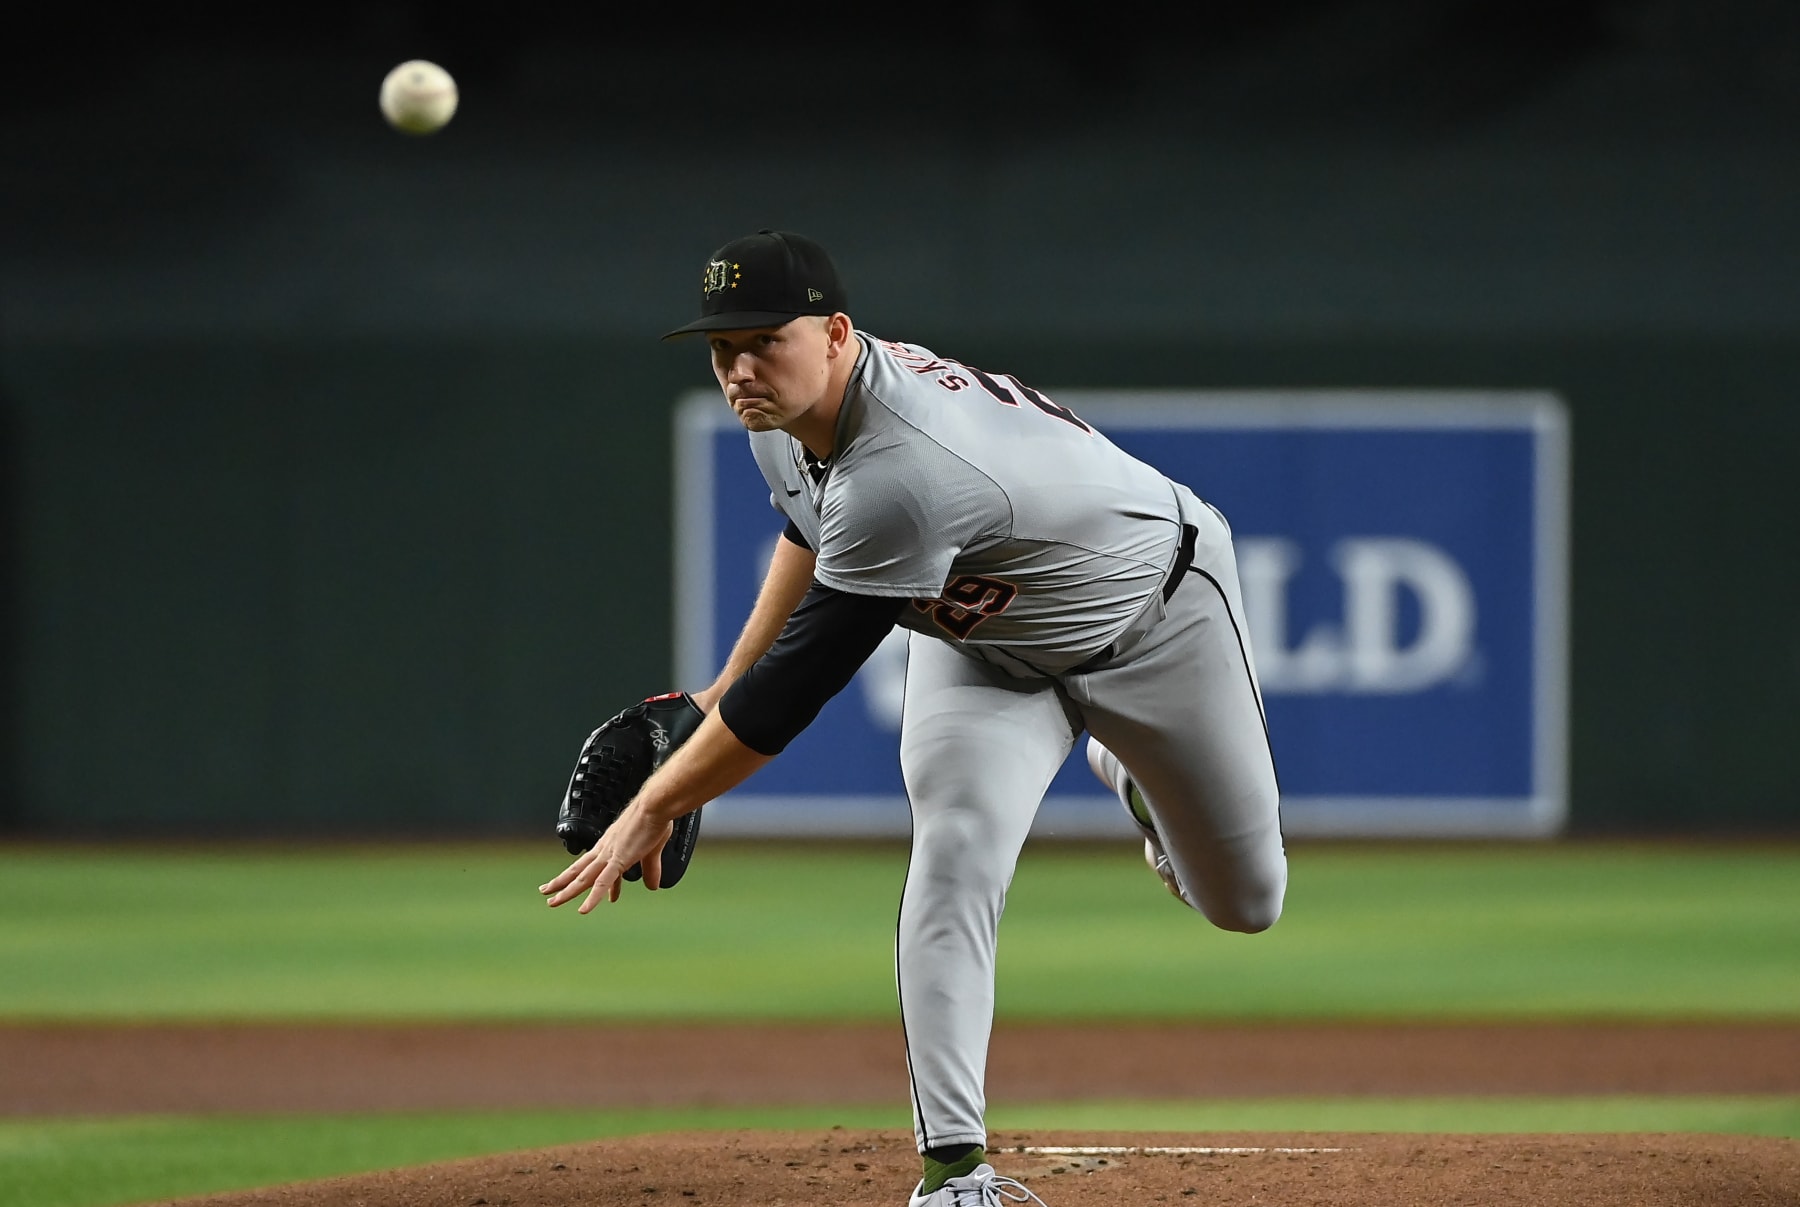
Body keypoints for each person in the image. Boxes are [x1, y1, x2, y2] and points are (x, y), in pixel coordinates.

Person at [540, 229, 1287, 1207]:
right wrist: (714, 697)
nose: (741, 368)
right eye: (724, 348)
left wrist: (657, 799)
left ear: (839, 333)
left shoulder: (908, 462)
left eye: (766, 340)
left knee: (1246, 902)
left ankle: (1130, 770)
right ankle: (955, 1168)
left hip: (1155, 627)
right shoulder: (780, 416)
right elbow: (807, 537)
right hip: (978, 649)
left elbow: (794, 693)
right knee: (955, 851)